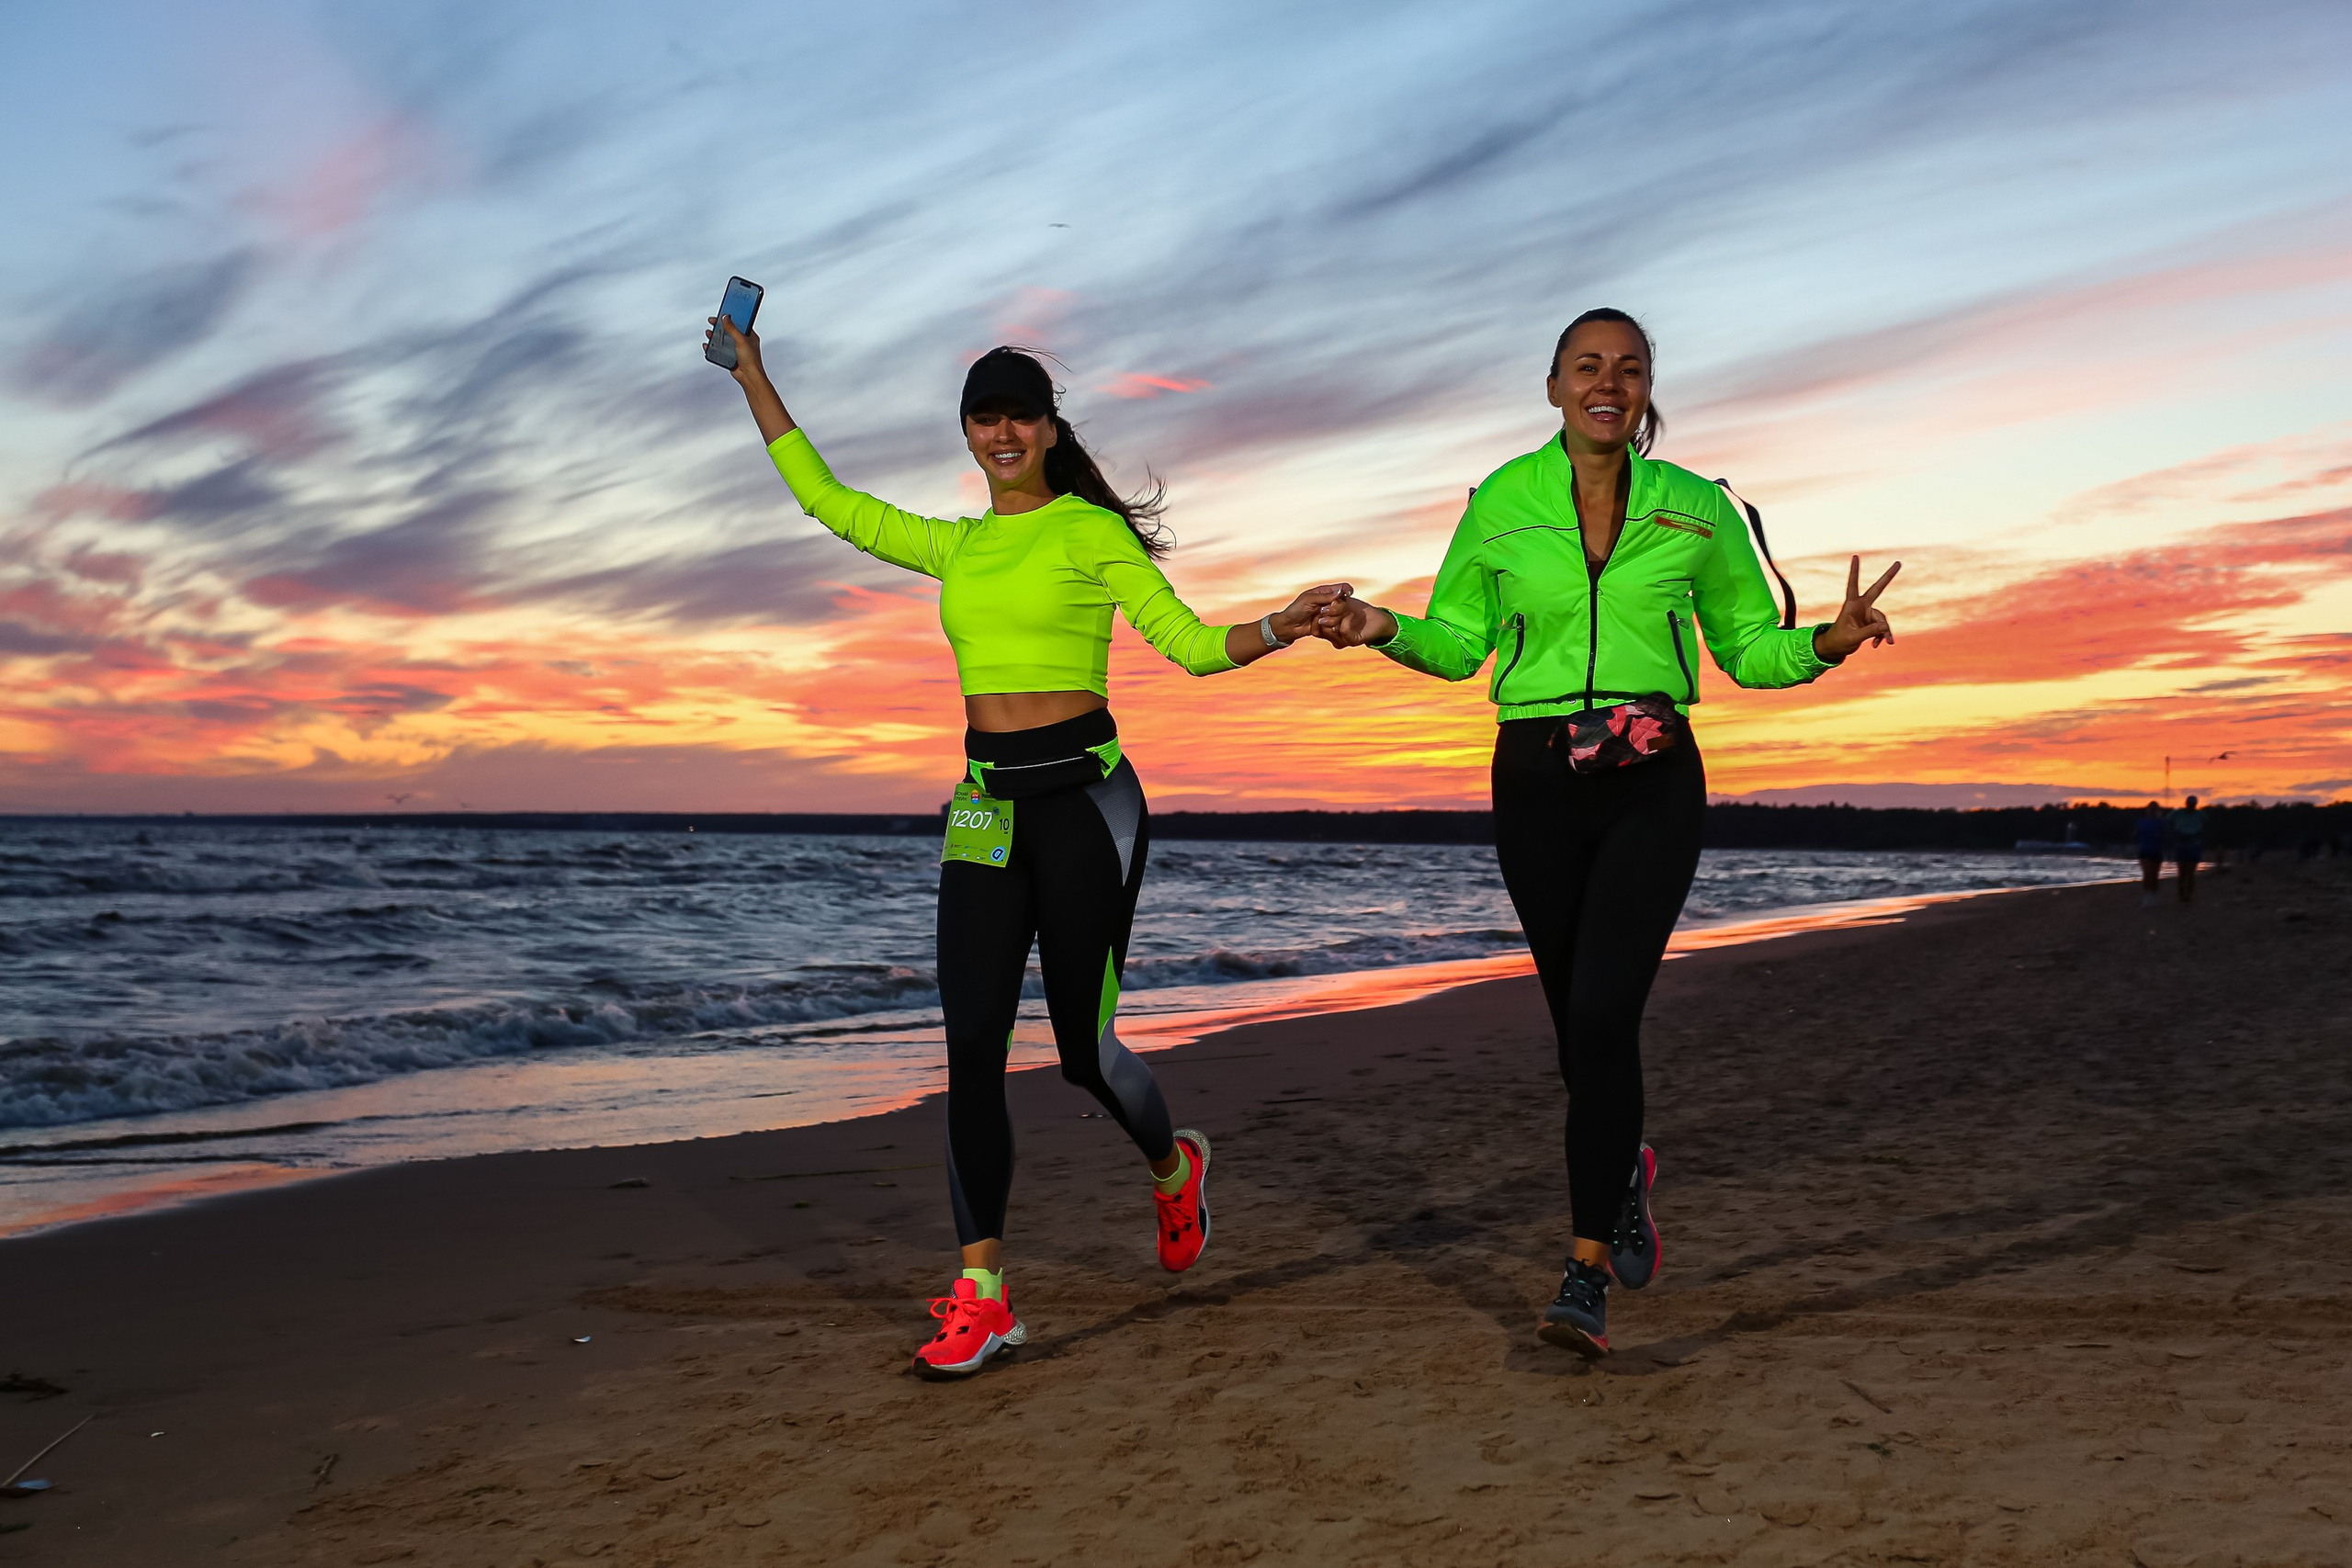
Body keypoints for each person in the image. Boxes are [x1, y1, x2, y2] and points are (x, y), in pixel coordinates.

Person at [711, 313, 1346, 1377]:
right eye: (983, 416)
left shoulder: (1089, 534)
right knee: (969, 1052)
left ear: (1050, 429)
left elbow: (1190, 647)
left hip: (1085, 804)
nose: (1001, 432)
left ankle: (1172, 1167)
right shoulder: (957, 546)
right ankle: (984, 1292)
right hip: (985, 807)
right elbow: (826, 500)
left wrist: (1279, 626)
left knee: (1081, 1055)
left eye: (1020, 415)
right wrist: (752, 376)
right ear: (968, 432)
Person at [1312, 308, 1899, 1357]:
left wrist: (1829, 643)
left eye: (1628, 369)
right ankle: (1622, 1166)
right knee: (1578, 1030)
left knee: (1600, 1013)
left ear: (1645, 393)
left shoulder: (1698, 507)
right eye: (1587, 366)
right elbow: (1458, 645)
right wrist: (1380, 628)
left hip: (1651, 781)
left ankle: (1583, 1270)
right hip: (1533, 779)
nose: (1608, 383)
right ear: (1552, 388)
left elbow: (1747, 648)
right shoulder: (1500, 501)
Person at [2172, 795, 2206, 905]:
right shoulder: (2178, 813)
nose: (2191, 807)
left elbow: (2206, 823)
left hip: (2194, 844)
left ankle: (2189, 895)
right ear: (2186, 804)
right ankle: (2181, 893)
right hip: (2181, 844)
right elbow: (2168, 820)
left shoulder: (2200, 814)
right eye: (2189, 804)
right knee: (2182, 872)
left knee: (2191, 872)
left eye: (2193, 805)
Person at [2135, 802, 2168, 907]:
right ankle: (2147, 897)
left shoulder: (2160, 822)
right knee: (2147, 874)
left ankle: (2153, 896)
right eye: (2151, 809)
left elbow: (2165, 836)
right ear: (2148, 810)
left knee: (2154, 876)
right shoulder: (2141, 821)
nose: (2152, 811)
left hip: (2156, 851)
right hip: (2144, 851)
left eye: (2155, 809)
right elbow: (2137, 834)